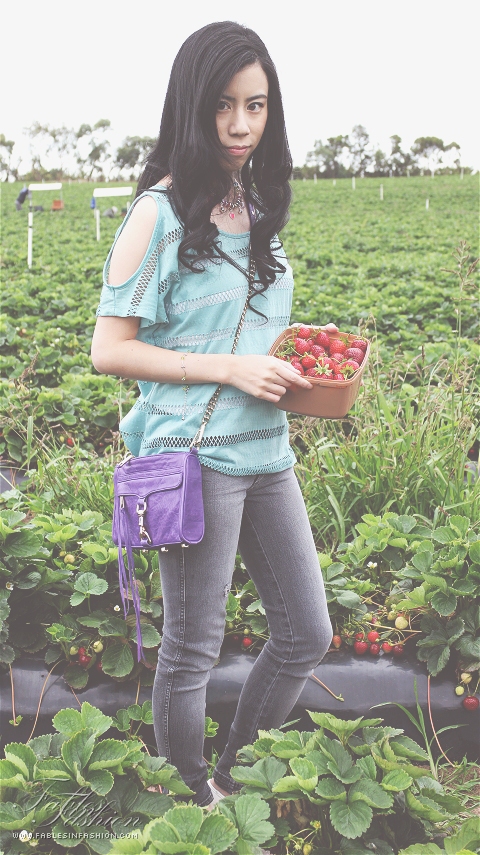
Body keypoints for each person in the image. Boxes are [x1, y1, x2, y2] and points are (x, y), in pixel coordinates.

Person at [91, 21, 332, 810]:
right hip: (195, 459)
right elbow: (109, 349)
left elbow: (249, 328)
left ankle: (229, 775)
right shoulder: (154, 216)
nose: (239, 125)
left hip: (269, 450)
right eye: (224, 106)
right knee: (191, 649)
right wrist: (227, 367)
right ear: (192, 108)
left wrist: (292, 370)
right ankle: (187, 798)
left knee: (308, 632)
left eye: (256, 106)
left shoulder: (255, 203)